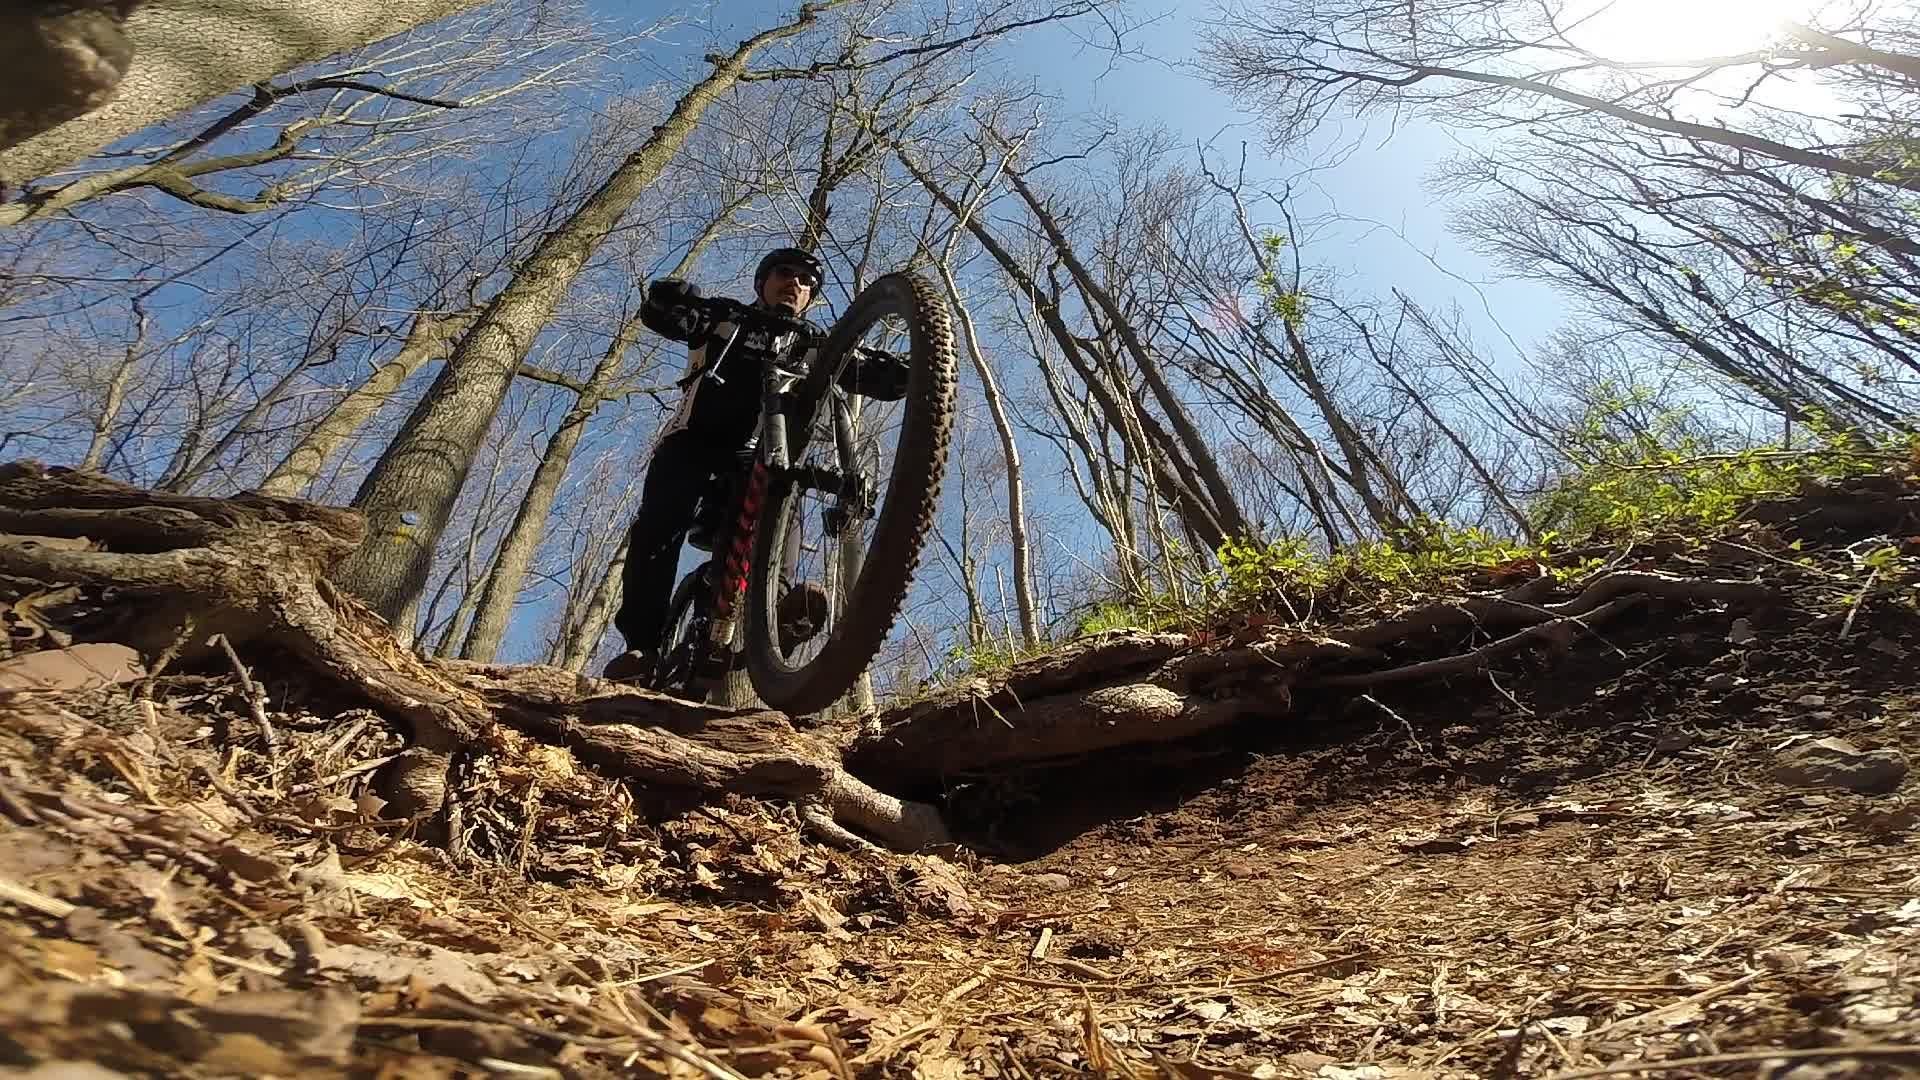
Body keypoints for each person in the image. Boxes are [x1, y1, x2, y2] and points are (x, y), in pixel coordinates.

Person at [602, 247, 907, 684]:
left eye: (806, 282)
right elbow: (665, 315)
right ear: (761, 284)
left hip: (761, 458)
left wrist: (915, 366)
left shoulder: (815, 346)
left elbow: (878, 378)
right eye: (785, 273)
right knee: (658, 524)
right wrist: (672, 297)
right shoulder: (724, 317)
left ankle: (774, 615)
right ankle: (642, 645)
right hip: (695, 441)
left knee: (784, 497)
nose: (795, 284)